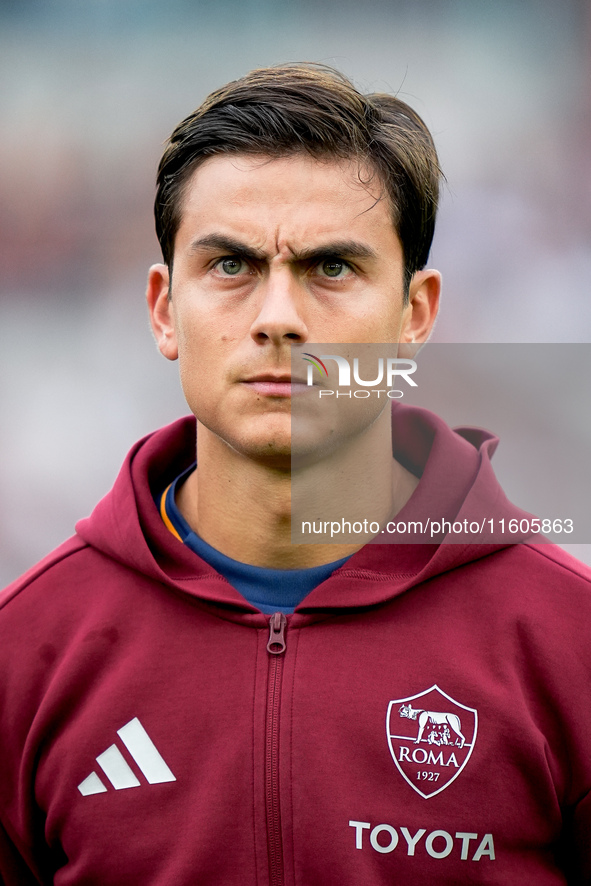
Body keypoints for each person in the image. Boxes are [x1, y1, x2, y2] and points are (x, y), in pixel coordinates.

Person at [0, 63, 590, 885]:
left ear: (413, 315)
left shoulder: (571, 641)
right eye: (231, 267)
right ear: (164, 310)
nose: (278, 318)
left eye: (332, 269)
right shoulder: (24, 651)